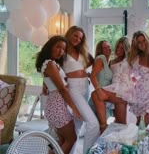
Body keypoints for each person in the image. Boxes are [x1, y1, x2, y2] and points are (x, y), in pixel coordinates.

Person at [35, 36, 81, 154]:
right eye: (58, 47)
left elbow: (51, 81)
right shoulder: (50, 64)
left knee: (61, 141)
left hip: (54, 105)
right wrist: (75, 109)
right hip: (57, 106)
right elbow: (61, 89)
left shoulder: (50, 63)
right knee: (71, 138)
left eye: (63, 49)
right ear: (50, 47)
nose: (61, 51)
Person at [63, 26, 99, 154]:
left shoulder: (82, 52)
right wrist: (45, 84)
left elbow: (93, 61)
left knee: (77, 127)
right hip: (73, 89)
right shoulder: (62, 50)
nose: (77, 39)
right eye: (75, 36)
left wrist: (85, 73)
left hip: (85, 87)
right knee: (93, 123)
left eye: (80, 38)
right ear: (69, 34)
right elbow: (51, 67)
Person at [90, 40, 127, 133]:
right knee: (95, 129)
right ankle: (101, 134)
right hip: (101, 96)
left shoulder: (109, 62)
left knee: (116, 123)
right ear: (100, 50)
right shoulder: (101, 58)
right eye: (104, 47)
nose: (108, 49)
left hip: (107, 97)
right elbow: (93, 75)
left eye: (109, 47)